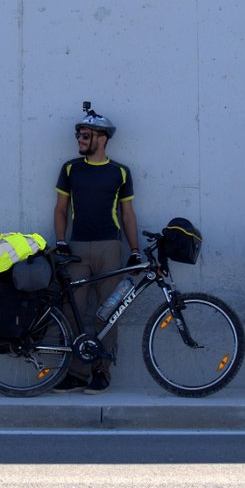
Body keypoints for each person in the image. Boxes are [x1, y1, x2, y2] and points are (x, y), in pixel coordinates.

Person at [52, 105, 141, 395]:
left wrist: (135, 249)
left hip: (109, 247)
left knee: (108, 311)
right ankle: (76, 374)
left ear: (102, 138)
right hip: (76, 246)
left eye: (85, 134)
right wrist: (61, 241)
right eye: (78, 134)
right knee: (73, 309)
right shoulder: (70, 169)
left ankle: (102, 372)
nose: (79, 138)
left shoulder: (120, 172)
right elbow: (61, 208)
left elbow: (127, 214)